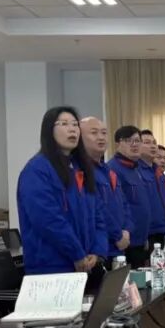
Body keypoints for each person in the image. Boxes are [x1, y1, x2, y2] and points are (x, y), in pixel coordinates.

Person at [17, 107, 104, 276]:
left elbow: (98, 215)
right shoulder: (37, 170)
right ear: (49, 130)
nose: (72, 129)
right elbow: (47, 219)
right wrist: (76, 253)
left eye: (75, 124)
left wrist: (97, 251)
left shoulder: (81, 168)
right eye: (64, 124)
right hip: (51, 266)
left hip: (85, 264)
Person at [80, 117, 131, 261]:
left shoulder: (108, 170)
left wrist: (127, 230)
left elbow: (124, 204)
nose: (101, 137)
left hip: (120, 247)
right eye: (94, 133)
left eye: (104, 133)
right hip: (99, 251)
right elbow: (99, 209)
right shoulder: (81, 171)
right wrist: (118, 235)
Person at [108, 125, 152, 267]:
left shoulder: (135, 168)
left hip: (140, 240)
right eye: (128, 140)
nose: (134, 144)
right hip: (125, 242)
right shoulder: (113, 169)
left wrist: (144, 236)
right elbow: (114, 207)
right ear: (117, 144)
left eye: (137, 141)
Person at [139, 129, 165, 248]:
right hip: (148, 234)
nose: (153, 146)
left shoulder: (159, 174)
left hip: (163, 231)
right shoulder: (137, 171)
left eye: (154, 142)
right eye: (147, 142)